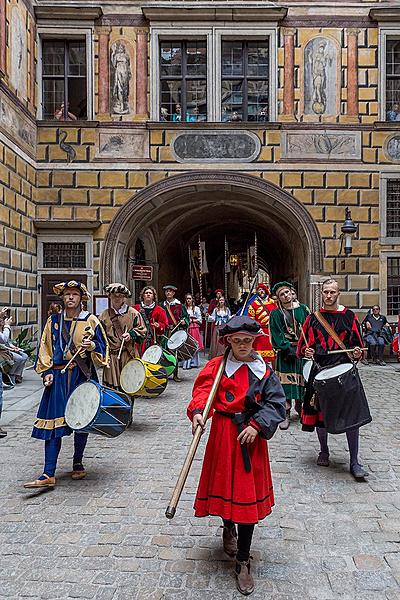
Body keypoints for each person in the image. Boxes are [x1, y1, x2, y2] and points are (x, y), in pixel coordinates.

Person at [187, 315, 286, 595]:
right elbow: (203, 392)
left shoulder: (263, 370)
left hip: (250, 438)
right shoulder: (217, 367)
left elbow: (276, 403)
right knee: (225, 487)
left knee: (245, 496)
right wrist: (197, 413)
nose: (242, 345)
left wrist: (257, 425)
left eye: (247, 340)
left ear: (254, 341)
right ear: (228, 342)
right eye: (237, 341)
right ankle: (227, 526)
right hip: (222, 435)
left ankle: (243, 560)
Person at [24, 281, 109, 489]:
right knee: (53, 424)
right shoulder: (53, 321)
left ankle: (78, 461)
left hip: (81, 375)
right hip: (58, 376)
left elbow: (103, 350)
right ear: (62, 298)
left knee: (82, 419)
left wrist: (93, 346)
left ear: (82, 298)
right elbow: (44, 348)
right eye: (67, 294)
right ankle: (48, 472)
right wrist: (46, 373)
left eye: (74, 294)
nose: (70, 297)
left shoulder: (91, 321)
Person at [297, 278, 369, 480]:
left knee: (352, 417)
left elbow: (359, 346)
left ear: (338, 294)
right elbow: (301, 347)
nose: (329, 296)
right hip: (319, 370)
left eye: (332, 292)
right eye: (326, 292)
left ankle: (354, 461)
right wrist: (307, 350)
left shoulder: (349, 317)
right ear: (322, 293)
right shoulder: (312, 319)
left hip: (344, 372)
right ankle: (323, 450)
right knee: (320, 414)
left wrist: (356, 353)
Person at [269, 282, 310, 430]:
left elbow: (310, 329)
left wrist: (307, 347)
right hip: (286, 353)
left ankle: (300, 409)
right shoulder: (276, 313)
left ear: (291, 292)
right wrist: (287, 348)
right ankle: (285, 413)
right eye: (282, 294)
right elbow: (276, 333)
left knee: (302, 381)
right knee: (285, 384)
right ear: (278, 298)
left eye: (287, 292)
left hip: (302, 351)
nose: (286, 295)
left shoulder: (303, 309)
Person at [99, 283, 146, 390]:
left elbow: (143, 332)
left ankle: (129, 406)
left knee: (129, 386)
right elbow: (99, 337)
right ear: (109, 296)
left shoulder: (133, 313)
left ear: (124, 297)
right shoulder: (104, 315)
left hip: (128, 354)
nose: (117, 298)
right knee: (112, 389)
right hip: (111, 357)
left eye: (120, 295)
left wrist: (131, 334)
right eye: (114, 295)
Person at [160, 285, 189, 382]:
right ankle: (164, 373)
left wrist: (184, 321)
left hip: (175, 332)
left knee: (174, 353)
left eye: (170, 291)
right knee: (163, 353)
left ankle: (175, 374)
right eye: (167, 291)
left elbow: (186, 317)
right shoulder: (161, 305)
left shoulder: (179, 306)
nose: (168, 293)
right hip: (164, 333)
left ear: (173, 293)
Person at [245, 283, 277, 365]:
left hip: (272, 331)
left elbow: (279, 316)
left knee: (273, 353)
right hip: (260, 331)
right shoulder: (253, 305)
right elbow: (251, 320)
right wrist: (257, 329)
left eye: (262, 289)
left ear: (266, 291)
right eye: (259, 290)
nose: (261, 291)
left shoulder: (273, 303)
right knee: (259, 354)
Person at [134, 286, 168, 355]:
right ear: (143, 295)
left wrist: (158, 325)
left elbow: (165, 325)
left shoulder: (160, 310)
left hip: (152, 340)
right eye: (146, 293)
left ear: (153, 296)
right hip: (138, 341)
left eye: (150, 293)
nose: (148, 294)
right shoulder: (135, 308)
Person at [0, 314, 28, 385]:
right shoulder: (5, 328)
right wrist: (7, 326)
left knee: (24, 356)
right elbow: (3, 340)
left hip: (6, 349)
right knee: (19, 358)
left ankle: (17, 375)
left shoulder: (3, 328)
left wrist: (14, 347)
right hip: (3, 351)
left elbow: (8, 341)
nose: (3, 321)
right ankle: (11, 374)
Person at [182, 293, 203, 369]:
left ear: (192, 299)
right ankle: (186, 363)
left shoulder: (196, 308)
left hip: (194, 327)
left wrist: (193, 320)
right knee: (187, 344)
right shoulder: (184, 308)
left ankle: (194, 362)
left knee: (193, 344)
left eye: (190, 298)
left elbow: (200, 319)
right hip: (187, 327)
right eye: (187, 298)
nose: (188, 300)